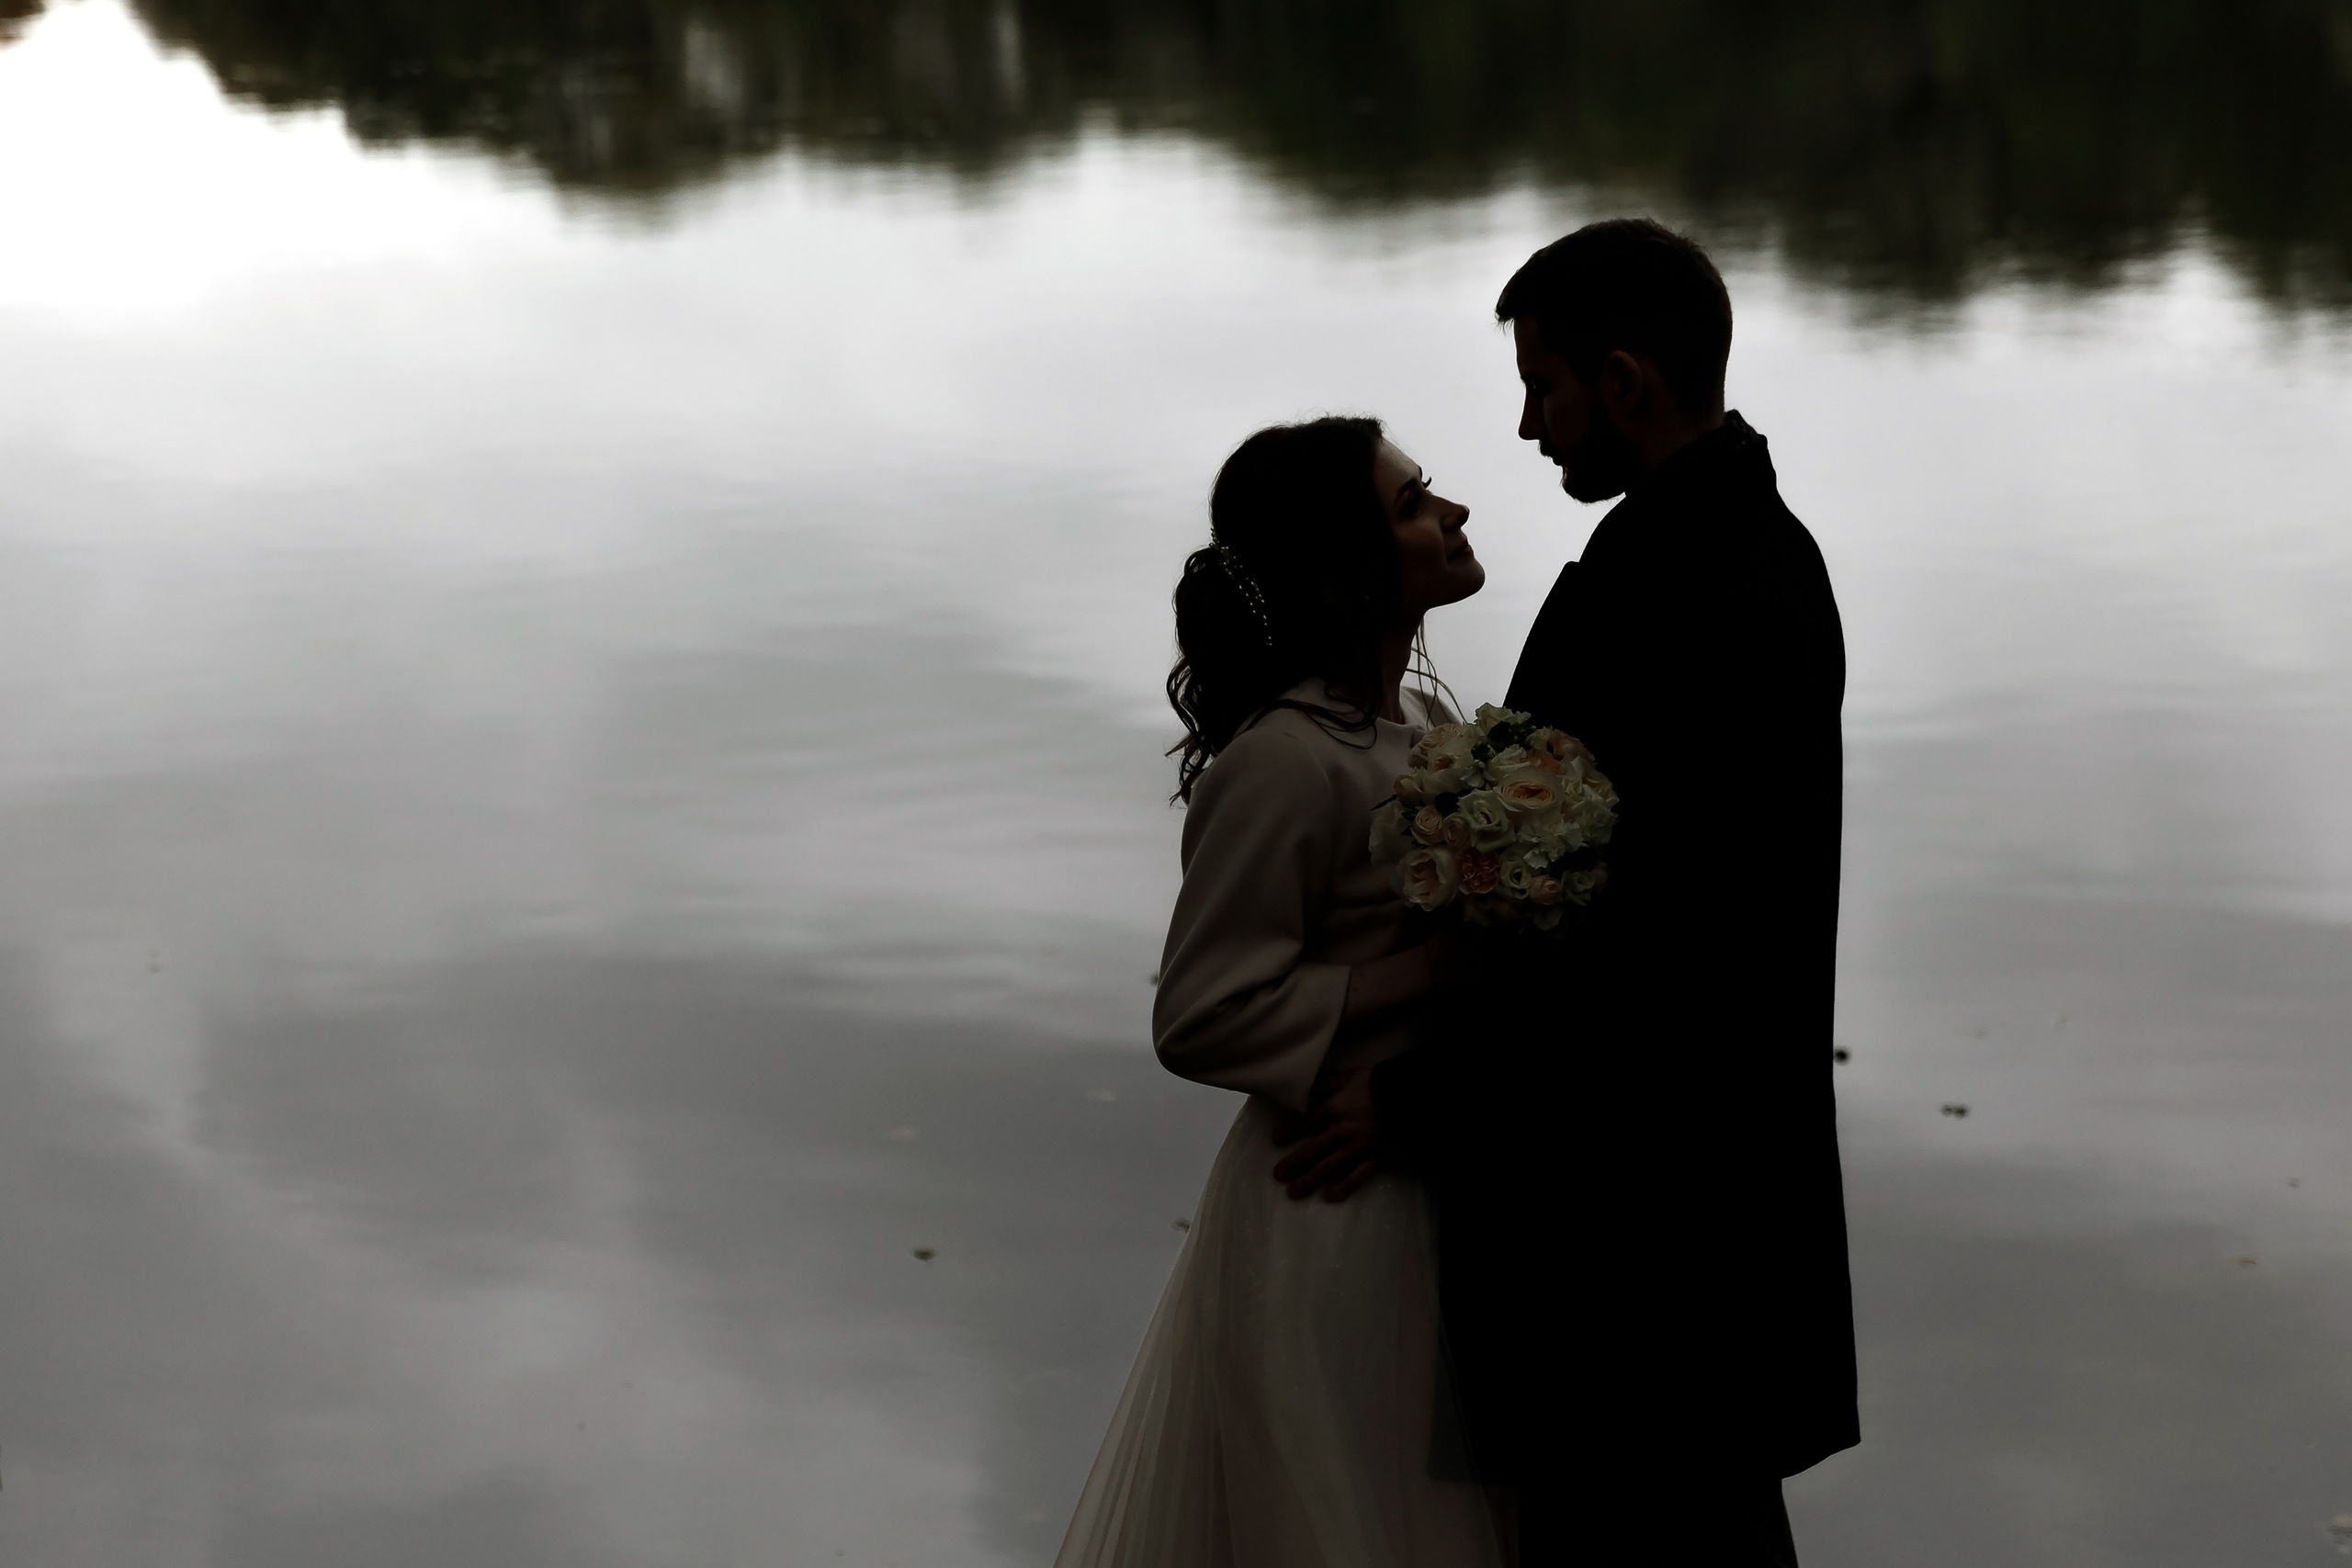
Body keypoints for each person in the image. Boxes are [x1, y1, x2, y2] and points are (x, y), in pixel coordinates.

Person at [1274, 220, 1859, 1566]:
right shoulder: (1744, 546)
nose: (1530, 427)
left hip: (1642, 1244)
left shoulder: (1685, 584)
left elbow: (1658, 941)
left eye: (1544, 385)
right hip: (1694, 1218)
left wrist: (1418, 1100)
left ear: (1628, 379)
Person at [1054, 416, 1506, 1568]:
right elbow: (1203, 1011)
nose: (1450, 516)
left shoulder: (1431, 729)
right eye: (1413, 506)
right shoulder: (1282, 759)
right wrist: (1434, 969)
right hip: (1334, 1212)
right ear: (1341, 566)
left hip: (1429, 1175)